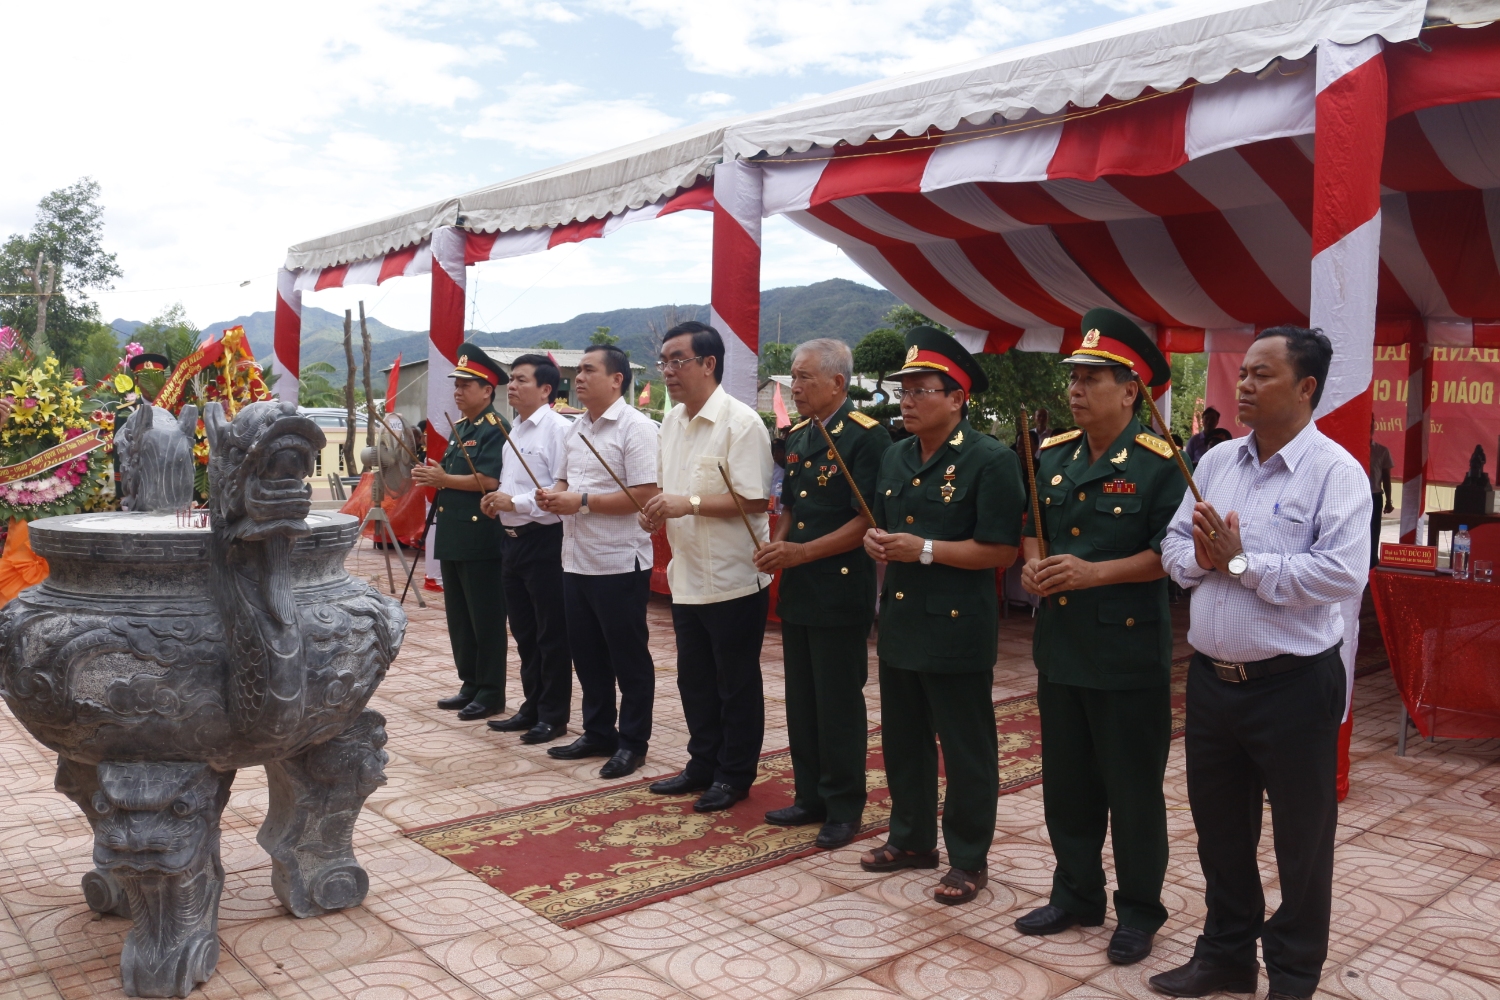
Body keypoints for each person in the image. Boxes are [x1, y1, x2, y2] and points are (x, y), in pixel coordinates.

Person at [1152, 327, 1369, 1000]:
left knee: (1301, 843)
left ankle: (1295, 973)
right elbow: (1172, 542)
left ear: (1305, 388)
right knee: (1219, 833)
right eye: (1242, 372)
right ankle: (1225, 955)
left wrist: (1242, 564)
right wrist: (1203, 560)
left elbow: (1339, 574)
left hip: (1295, 684)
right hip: (1215, 683)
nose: (1243, 384)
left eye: (1261, 374)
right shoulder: (1216, 462)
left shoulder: (1336, 472)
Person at [1012, 308, 1188, 966]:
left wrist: (1095, 573)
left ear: (1131, 389)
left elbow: (1169, 555)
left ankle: (1139, 910)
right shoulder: (1053, 455)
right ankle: (1076, 893)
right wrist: (1033, 561)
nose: (1076, 390)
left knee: (1133, 791)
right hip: (1061, 649)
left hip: (1126, 654)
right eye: (1074, 378)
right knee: (1068, 785)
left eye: (1092, 378)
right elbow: (1034, 524)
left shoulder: (1159, 463)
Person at [858, 327, 1025, 905]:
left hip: (957, 627)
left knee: (965, 746)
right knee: (903, 741)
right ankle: (910, 839)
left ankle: (968, 859)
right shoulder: (896, 454)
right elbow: (884, 526)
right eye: (903, 390)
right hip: (902, 621)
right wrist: (879, 544)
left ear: (956, 398)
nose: (906, 400)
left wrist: (922, 548)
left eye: (921, 390)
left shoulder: (990, 460)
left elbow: (1002, 552)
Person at [753, 338, 891, 850]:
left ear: (838, 382)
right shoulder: (803, 436)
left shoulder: (865, 438)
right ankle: (810, 793)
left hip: (839, 589)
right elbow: (790, 505)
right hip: (802, 590)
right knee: (802, 700)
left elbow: (867, 520)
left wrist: (803, 554)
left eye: (805, 377)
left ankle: (843, 804)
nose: (796, 386)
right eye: (793, 376)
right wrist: (778, 546)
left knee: (837, 703)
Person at [639, 321, 774, 813]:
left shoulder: (742, 423)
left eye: (678, 360)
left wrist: (687, 503)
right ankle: (702, 764)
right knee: (693, 679)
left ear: (708, 364)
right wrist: (657, 507)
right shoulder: (671, 421)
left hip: (735, 577)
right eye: (665, 361)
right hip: (688, 573)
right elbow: (665, 489)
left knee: (734, 682)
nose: (669, 371)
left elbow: (755, 499)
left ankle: (734, 774)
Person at [537, 345, 662, 779]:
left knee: (627, 657)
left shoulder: (637, 428)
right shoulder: (576, 429)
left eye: (590, 370)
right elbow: (567, 479)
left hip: (618, 560)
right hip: (576, 558)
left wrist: (581, 502)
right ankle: (597, 731)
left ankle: (633, 742)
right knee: (587, 654)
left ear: (617, 379)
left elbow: (646, 494)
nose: (580, 377)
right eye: (579, 370)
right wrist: (555, 493)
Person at [411, 344, 509, 722]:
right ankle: (470, 682)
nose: (458, 390)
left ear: (488, 390)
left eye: (467, 385)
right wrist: (437, 474)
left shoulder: (494, 428)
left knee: (485, 617)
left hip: (480, 536)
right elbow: (455, 478)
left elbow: (489, 479)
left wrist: (444, 478)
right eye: (457, 384)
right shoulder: (462, 429)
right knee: (460, 617)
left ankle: (490, 691)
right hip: (453, 535)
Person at [480, 354, 572, 745]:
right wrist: (496, 500)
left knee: (551, 633)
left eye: (520, 380)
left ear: (545, 389)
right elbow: (510, 485)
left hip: (545, 541)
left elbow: (556, 493)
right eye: (511, 380)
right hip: (513, 543)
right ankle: (531, 706)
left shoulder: (558, 430)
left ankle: (553, 715)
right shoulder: (514, 430)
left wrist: (514, 504)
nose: (511, 386)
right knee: (523, 631)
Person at [1368, 417, 1394, 566]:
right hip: (1354, 496)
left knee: (1373, 532)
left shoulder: (1382, 451)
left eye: (1372, 424)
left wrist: (1389, 501)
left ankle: (1372, 564)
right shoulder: (1352, 448)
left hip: (1374, 497)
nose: (1370, 427)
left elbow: (1386, 478)